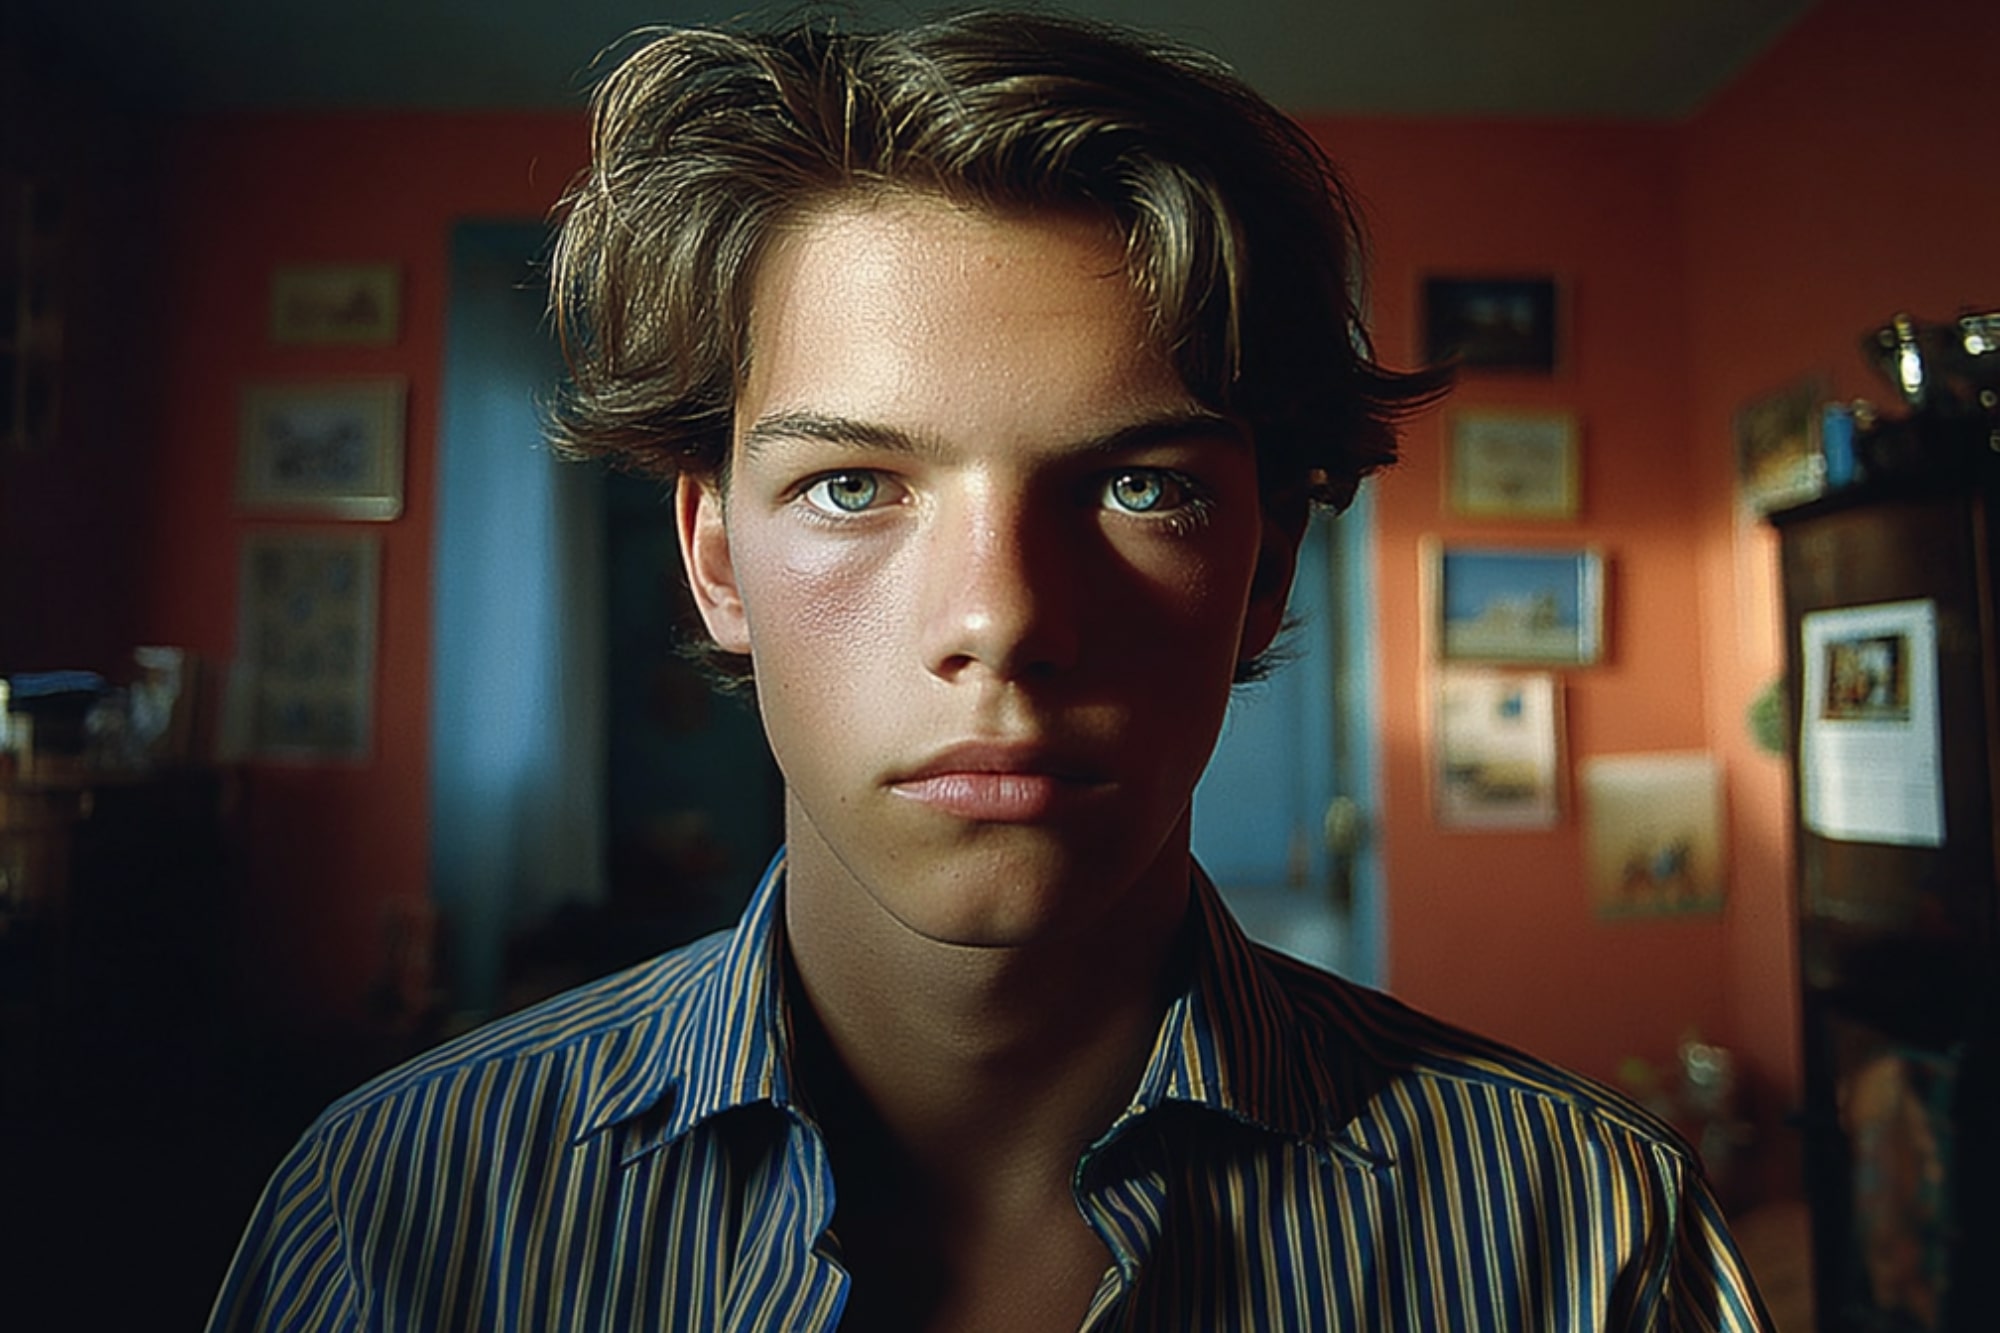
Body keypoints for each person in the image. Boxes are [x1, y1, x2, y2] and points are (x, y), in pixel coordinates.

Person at [209, 11, 1772, 1330]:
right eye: (853, 484)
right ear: (713, 557)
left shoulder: (1583, 1239)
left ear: (1267, 572)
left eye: (1139, 484)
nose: (1003, 616)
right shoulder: (394, 1217)